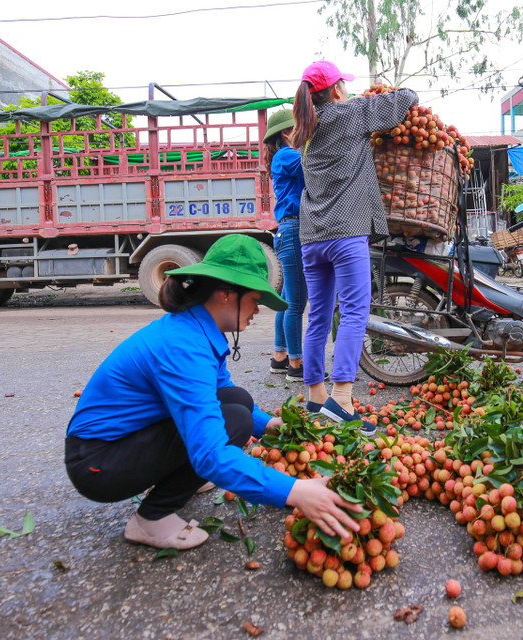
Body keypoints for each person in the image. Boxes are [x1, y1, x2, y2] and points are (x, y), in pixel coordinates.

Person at [65, 235, 361, 550]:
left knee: (239, 402)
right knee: (234, 422)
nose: (257, 310)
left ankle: (180, 479)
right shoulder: (184, 347)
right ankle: (151, 519)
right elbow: (210, 455)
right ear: (226, 294)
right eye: (254, 299)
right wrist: (296, 491)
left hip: (127, 441)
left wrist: (269, 425)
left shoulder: (195, 328)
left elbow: (222, 390)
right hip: (98, 463)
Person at [290, 61, 417, 433]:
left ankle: (316, 396)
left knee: (318, 315)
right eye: (343, 84)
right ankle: (342, 399)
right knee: (354, 313)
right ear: (336, 90)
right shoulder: (351, 113)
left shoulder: (305, 130)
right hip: (346, 233)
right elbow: (405, 99)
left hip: (312, 237)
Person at [263, 109, 308, 382]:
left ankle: (280, 357)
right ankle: (296, 364)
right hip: (293, 231)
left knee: (288, 300)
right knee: (296, 303)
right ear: (287, 131)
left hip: (288, 231)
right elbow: (313, 167)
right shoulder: (288, 155)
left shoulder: (283, 156)